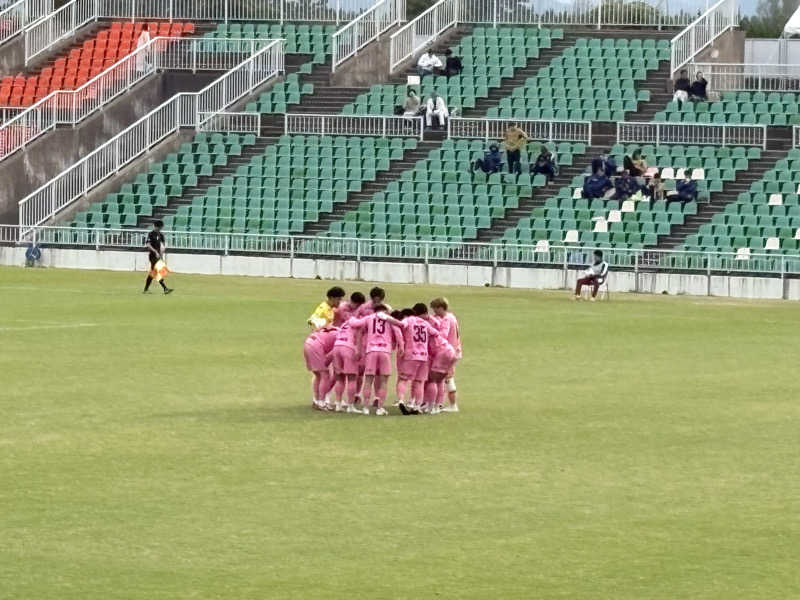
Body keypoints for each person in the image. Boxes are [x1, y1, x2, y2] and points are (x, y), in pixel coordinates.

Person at [347, 305, 403, 415]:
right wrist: (401, 347)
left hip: (371, 350)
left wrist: (352, 317)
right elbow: (399, 331)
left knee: (368, 380)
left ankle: (366, 408)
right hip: (384, 351)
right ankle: (380, 408)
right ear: (385, 311)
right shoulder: (389, 319)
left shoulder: (369, 318)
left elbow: (356, 325)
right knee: (384, 381)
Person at [393, 304, 441, 413]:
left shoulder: (408, 320)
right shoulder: (424, 323)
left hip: (411, 354)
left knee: (403, 379)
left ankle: (400, 400)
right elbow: (435, 332)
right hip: (424, 355)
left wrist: (389, 319)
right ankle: (418, 406)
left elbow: (401, 324)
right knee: (419, 381)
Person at [430, 297, 461, 412]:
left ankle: (452, 405)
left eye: (435, 309)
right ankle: (442, 403)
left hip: (449, 351)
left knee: (447, 377)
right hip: (455, 349)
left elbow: (442, 335)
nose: (434, 312)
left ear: (441, 308)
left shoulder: (447, 319)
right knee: (447, 377)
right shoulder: (452, 317)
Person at [303, 325, 339, 410]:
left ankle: (316, 401)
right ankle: (322, 403)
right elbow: (334, 354)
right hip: (316, 346)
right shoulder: (342, 336)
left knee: (318, 375)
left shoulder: (335, 329)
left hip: (308, 343)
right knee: (325, 375)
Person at [143, 220, 173, 295]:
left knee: (153, 273)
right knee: (157, 272)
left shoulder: (161, 235)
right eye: (159, 227)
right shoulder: (151, 234)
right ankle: (165, 289)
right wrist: (155, 252)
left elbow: (162, 245)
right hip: (152, 256)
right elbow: (148, 244)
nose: (160, 229)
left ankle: (146, 289)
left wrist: (161, 253)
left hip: (158, 256)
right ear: (156, 226)